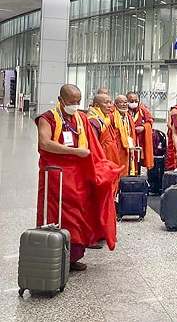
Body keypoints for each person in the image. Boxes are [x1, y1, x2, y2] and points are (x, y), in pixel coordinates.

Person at [35, 84, 121, 271]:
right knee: (55, 214)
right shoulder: (47, 118)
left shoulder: (81, 118)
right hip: (55, 175)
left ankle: (73, 257)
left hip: (79, 175)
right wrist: (74, 152)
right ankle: (53, 255)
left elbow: (94, 149)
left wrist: (102, 167)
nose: (75, 105)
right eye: (71, 102)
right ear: (61, 100)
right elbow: (45, 143)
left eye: (78, 102)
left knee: (80, 214)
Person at [126, 92, 154, 170]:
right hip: (127, 139)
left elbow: (150, 121)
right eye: (131, 101)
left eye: (136, 101)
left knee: (138, 160)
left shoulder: (142, 109)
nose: (134, 103)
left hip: (140, 139)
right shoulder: (123, 110)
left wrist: (144, 127)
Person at [113, 95, 136, 177]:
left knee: (126, 169)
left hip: (127, 147)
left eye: (126, 102)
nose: (124, 104)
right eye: (121, 102)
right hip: (117, 148)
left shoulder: (128, 117)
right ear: (115, 104)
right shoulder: (112, 116)